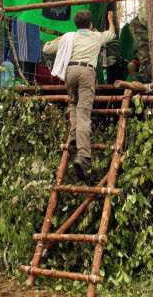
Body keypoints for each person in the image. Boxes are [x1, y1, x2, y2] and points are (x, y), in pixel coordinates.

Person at [43, 10, 115, 180]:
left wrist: (61, 38)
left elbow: (46, 48)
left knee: (74, 103)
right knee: (83, 111)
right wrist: (110, 19)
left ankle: (75, 133)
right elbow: (112, 34)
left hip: (70, 72)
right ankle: (83, 155)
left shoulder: (69, 37)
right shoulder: (96, 36)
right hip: (86, 72)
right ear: (90, 24)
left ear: (76, 25)